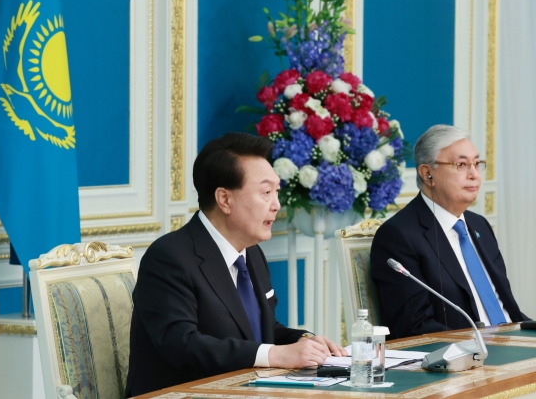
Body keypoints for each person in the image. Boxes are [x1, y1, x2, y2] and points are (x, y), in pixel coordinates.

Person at [126, 132, 346, 396]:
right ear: (224, 199)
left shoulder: (251, 253)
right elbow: (182, 345)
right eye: (265, 192)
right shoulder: (169, 257)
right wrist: (277, 355)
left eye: (276, 192)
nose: (276, 205)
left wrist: (306, 342)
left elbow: (262, 331)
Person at [371, 125, 528, 340]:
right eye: (461, 164)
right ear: (428, 174)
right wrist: (481, 347)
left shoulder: (479, 225)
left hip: (514, 344)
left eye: (477, 164)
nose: (474, 174)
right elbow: (415, 327)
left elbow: (510, 312)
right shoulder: (399, 236)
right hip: (466, 359)